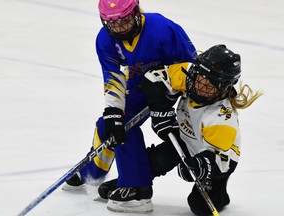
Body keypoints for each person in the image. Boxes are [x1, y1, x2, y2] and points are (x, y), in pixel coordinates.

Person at [62, 0, 197, 213]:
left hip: (170, 89)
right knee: (112, 125)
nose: (119, 28)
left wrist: (168, 93)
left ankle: (136, 188)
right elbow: (113, 77)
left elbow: (191, 68)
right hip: (139, 87)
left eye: (124, 21)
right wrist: (113, 111)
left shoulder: (163, 28)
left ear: (135, 13)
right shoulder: (105, 39)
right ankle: (93, 173)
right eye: (112, 24)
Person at [98, 44, 263, 215]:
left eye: (209, 85)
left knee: (200, 206)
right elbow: (152, 78)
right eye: (200, 78)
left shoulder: (221, 118)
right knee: (156, 161)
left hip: (216, 157)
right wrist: (160, 108)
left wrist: (200, 166)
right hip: (185, 139)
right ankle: (132, 182)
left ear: (224, 87)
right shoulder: (188, 73)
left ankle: (220, 193)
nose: (200, 86)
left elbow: (220, 159)